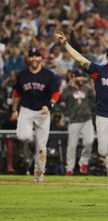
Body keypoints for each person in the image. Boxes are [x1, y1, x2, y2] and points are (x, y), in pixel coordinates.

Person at [55, 32, 108, 190]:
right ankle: (106, 161)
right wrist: (66, 44)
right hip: (102, 116)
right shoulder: (99, 71)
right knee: (103, 150)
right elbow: (80, 59)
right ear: (107, 58)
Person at [10, 48, 60, 183]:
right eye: (31, 56)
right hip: (26, 110)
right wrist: (14, 110)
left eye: (37, 56)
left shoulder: (48, 75)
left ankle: (39, 175)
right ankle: (32, 141)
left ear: (41, 59)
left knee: (42, 148)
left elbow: (56, 93)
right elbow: (16, 93)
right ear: (28, 59)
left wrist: (50, 105)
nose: (34, 59)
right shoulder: (22, 75)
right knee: (23, 136)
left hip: (43, 111)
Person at [60, 69, 95, 176]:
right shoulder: (67, 89)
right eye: (78, 76)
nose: (81, 78)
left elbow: (94, 100)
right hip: (74, 120)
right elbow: (61, 103)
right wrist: (62, 116)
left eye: (82, 76)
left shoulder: (86, 87)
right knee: (72, 145)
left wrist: (93, 88)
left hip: (86, 119)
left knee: (89, 141)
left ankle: (84, 162)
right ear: (73, 77)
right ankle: (69, 168)